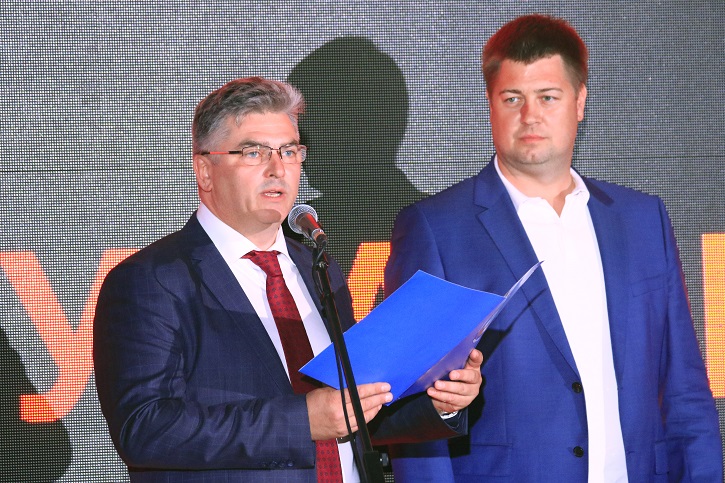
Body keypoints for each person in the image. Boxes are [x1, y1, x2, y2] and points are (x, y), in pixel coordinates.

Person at [93, 76, 483, 482]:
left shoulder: (319, 267)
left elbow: (352, 413)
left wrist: (440, 402)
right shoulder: (150, 281)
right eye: (253, 152)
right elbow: (145, 428)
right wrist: (304, 421)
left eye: (289, 151)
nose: (277, 168)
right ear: (205, 171)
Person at [385, 14, 722, 482]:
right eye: (512, 98)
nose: (530, 116)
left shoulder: (643, 219)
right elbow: (409, 412)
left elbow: (685, 390)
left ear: (579, 101)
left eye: (548, 97)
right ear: (490, 104)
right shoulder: (435, 228)